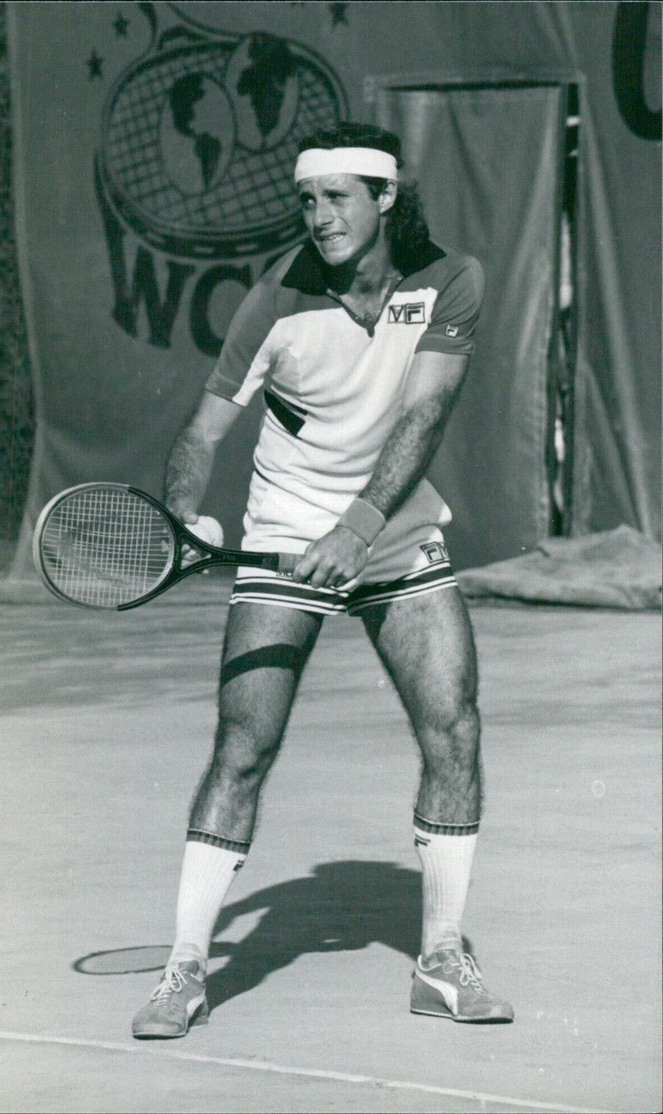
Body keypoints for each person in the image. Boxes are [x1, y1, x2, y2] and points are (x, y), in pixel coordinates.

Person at [132, 122, 513, 1037]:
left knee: (453, 726)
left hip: (387, 531)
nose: (319, 217)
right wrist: (186, 509)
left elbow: (424, 413)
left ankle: (442, 959)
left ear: (386, 199)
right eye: (307, 200)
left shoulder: (449, 279)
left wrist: (362, 528)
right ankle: (184, 970)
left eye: (338, 197)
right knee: (243, 745)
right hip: (288, 528)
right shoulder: (276, 300)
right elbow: (201, 432)